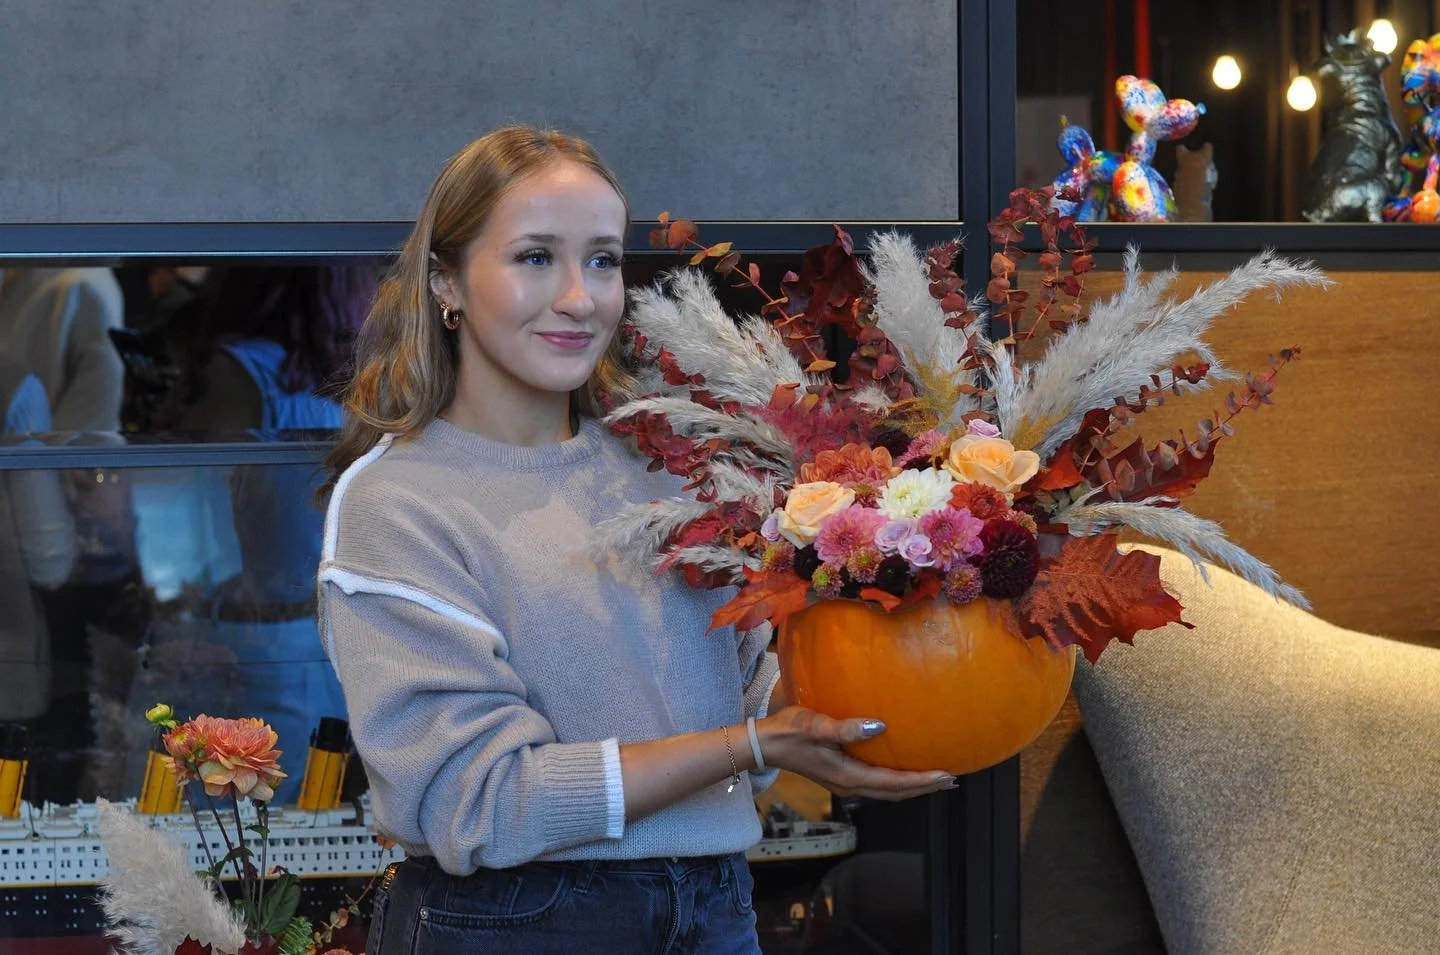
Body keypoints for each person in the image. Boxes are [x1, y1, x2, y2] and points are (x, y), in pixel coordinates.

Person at [317, 126, 954, 954]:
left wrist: (916, 619)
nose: (581, 297)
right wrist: (750, 743)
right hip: (514, 923)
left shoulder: (673, 466)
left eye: (605, 260)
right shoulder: (399, 502)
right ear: (446, 280)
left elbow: (753, 690)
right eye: (536, 257)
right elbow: (477, 802)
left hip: (718, 903)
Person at [133, 266, 374, 804]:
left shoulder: (241, 369)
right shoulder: (356, 375)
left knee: (218, 819)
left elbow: (183, 484)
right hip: (325, 630)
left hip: (253, 626)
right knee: (298, 818)